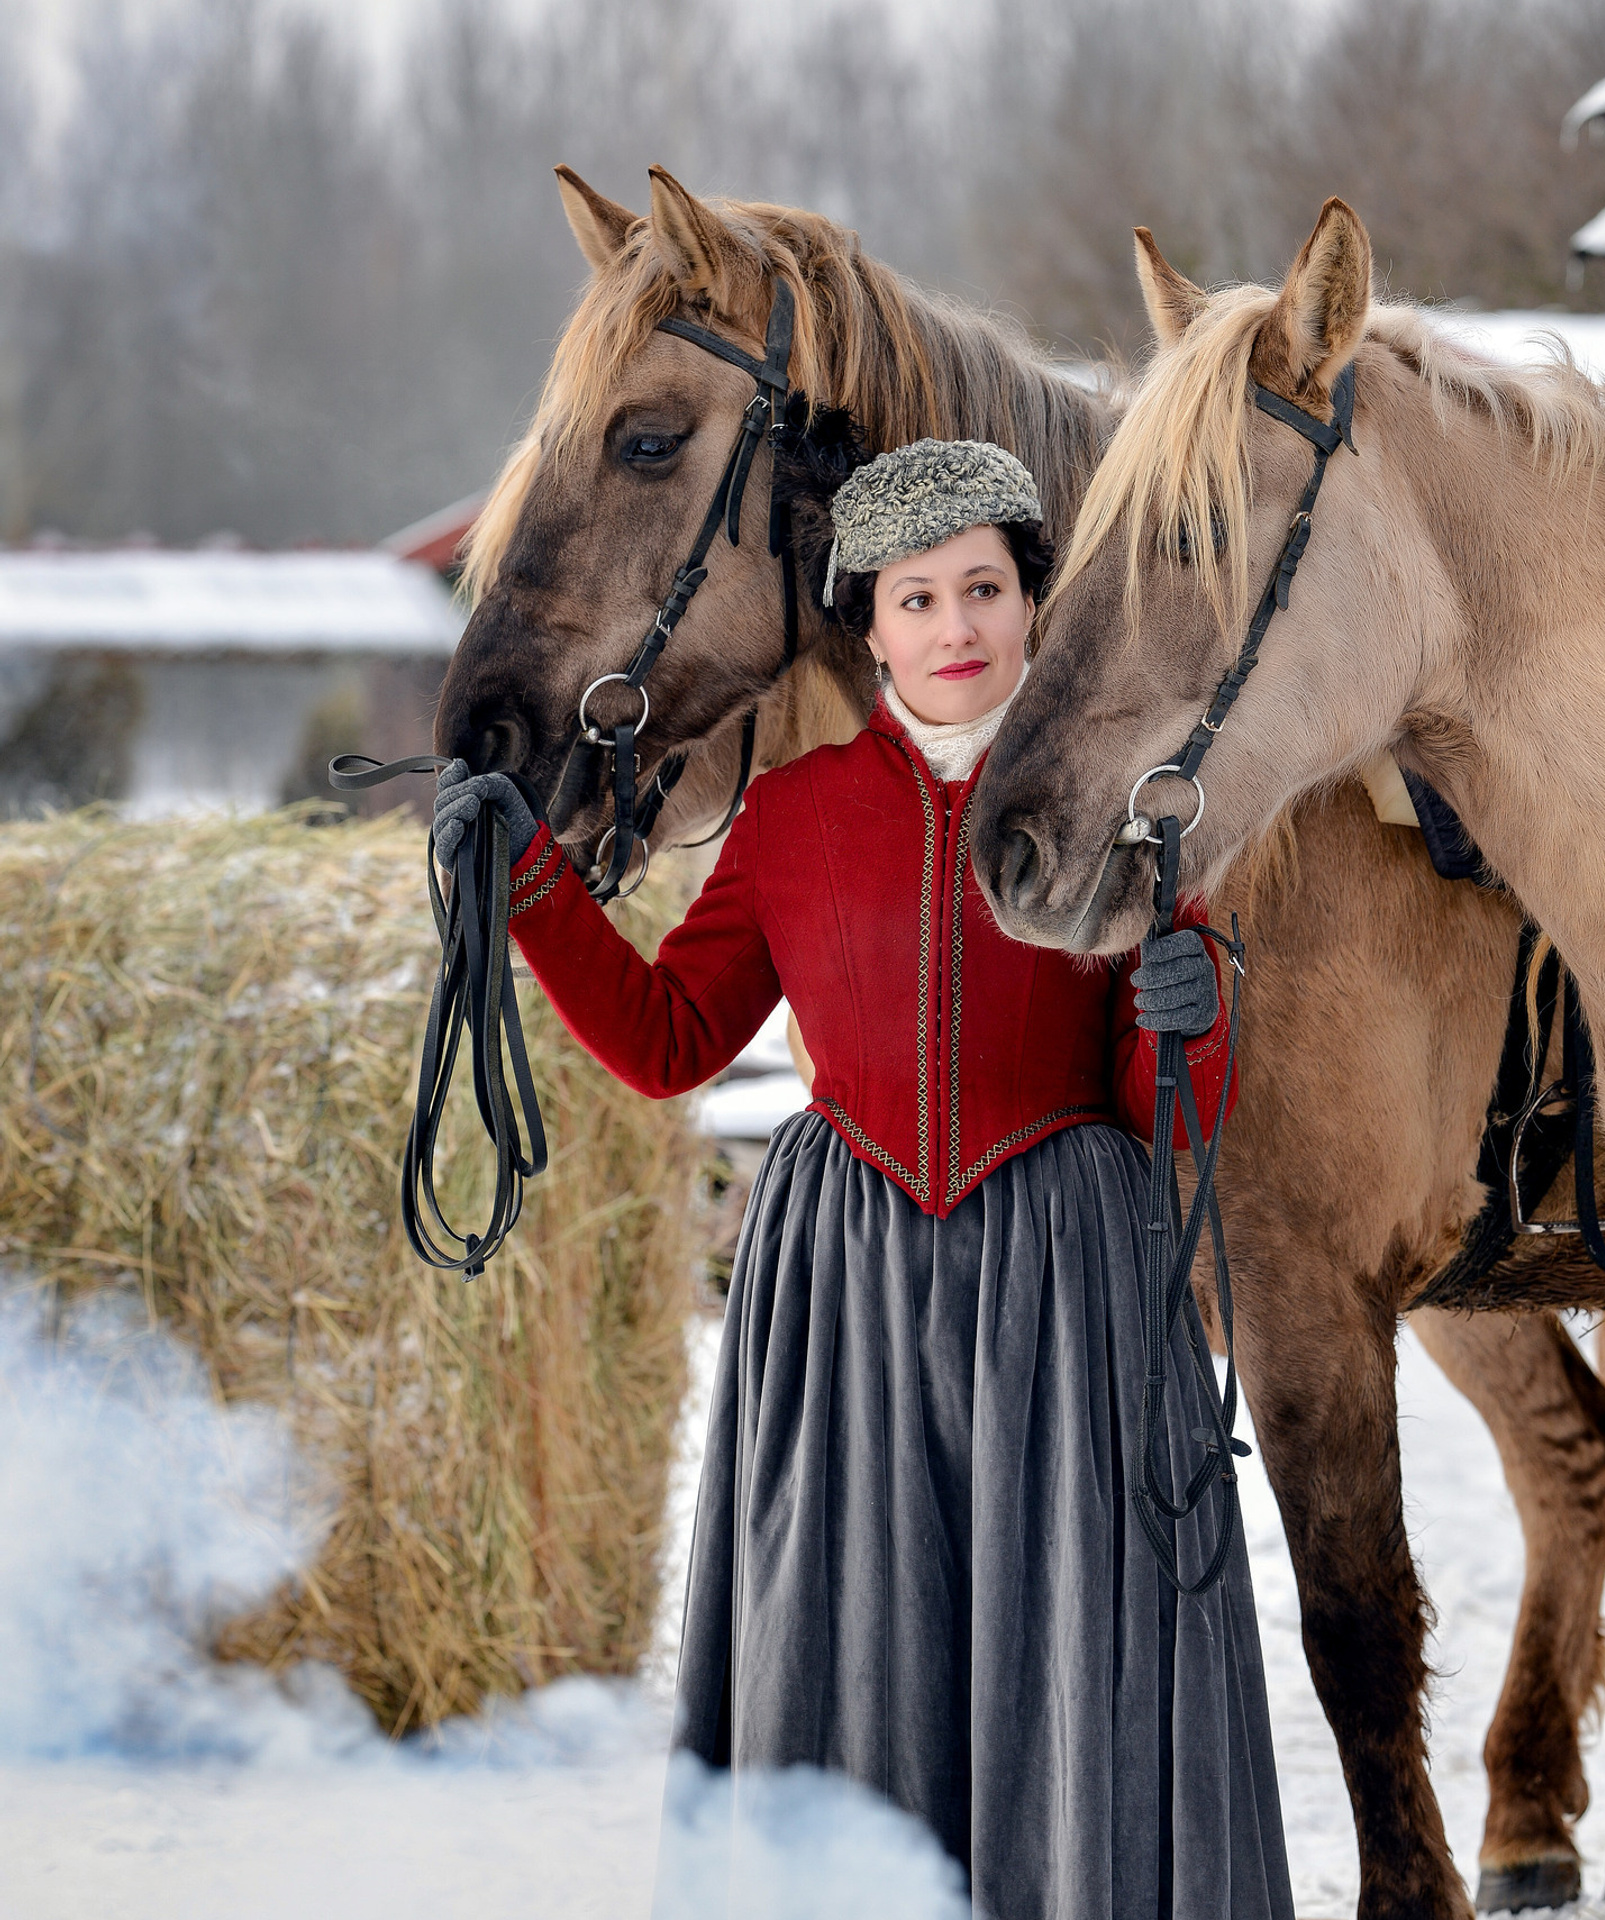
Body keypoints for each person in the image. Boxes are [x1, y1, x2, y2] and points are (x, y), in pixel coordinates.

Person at [433, 432, 1293, 1920]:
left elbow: (1177, 1116)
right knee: (852, 1642)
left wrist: (1195, 1004)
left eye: (982, 590)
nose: (954, 629)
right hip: (845, 1295)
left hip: (1068, 1287)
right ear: (870, 623)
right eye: (915, 599)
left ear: (1034, 605)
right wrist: (523, 885)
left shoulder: (1125, 806)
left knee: (1072, 1644)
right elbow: (668, 1040)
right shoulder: (791, 815)